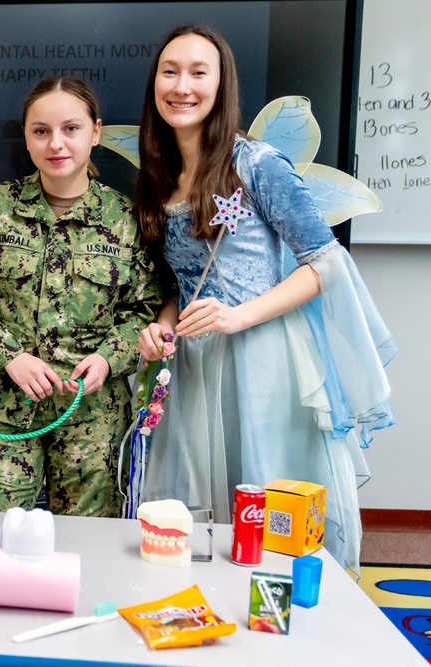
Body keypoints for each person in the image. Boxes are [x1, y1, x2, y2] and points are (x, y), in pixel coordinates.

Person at [133, 25, 395, 573]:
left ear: (222, 84)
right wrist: (163, 323)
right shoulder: (159, 177)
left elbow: (325, 263)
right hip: (193, 366)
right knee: (198, 530)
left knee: (269, 513)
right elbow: (179, 283)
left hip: (264, 361)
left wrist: (238, 316)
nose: (182, 86)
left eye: (199, 72)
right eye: (170, 71)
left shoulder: (256, 164)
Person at [0, 76, 162, 517]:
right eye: (41, 130)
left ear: (95, 132)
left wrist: (108, 358)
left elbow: (147, 309)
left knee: (89, 552)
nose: (56, 143)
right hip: (3, 415)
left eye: (71, 129)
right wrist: (10, 356)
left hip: (93, 422)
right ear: (26, 137)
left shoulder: (127, 220)